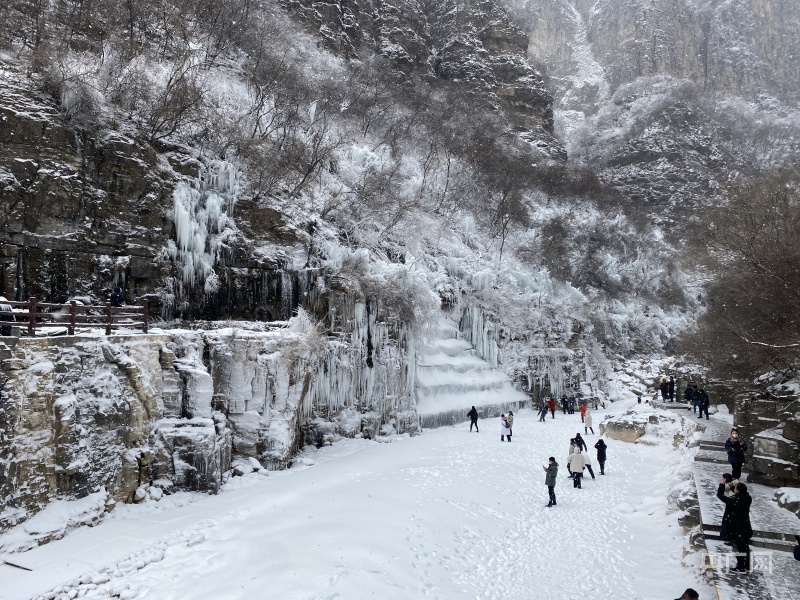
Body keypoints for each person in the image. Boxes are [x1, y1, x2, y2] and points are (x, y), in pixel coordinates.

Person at [717, 479, 753, 572]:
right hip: (745, 526)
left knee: (739, 547)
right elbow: (736, 495)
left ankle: (741, 566)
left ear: (738, 490)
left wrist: (722, 485)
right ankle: (747, 565)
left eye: (735, 488)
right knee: (745, 547)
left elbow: (720, 495)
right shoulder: (747, 498)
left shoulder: (735, 500)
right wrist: (732, 486)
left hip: (737, 527)